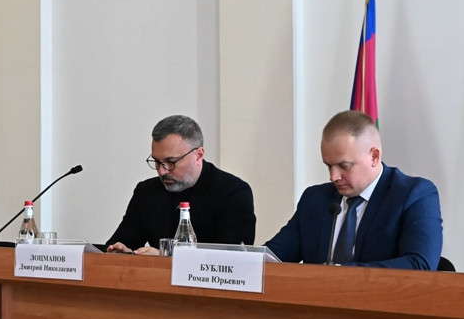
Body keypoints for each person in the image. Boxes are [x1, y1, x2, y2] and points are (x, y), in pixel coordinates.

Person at [265, 110, 442, 269]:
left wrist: (342, 273)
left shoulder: (413, 195)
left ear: (374, 156)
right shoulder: (315, 199)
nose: (333, 176)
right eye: (329, 166)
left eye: (345, 166)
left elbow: (420, 264)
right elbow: (274, 256)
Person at [105, 115, 256, 254]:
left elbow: (231, 260)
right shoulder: (146, 192)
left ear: (198, 155)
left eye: (171, 162)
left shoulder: (233, 192)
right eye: (157, 162)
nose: (162, 171)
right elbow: (121, 242)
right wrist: (122, 252)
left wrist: (165, 258)